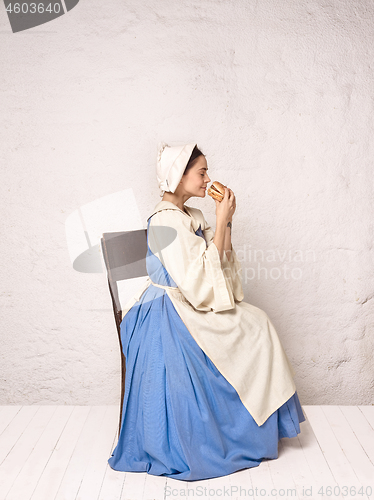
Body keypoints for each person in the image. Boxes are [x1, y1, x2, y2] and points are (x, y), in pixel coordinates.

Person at [108, 142, 306, 481]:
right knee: (253, 327)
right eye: (201, 172)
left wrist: (226, 223)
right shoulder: (164, 222)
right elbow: (197, 280)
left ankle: (253, 427)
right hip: (166, 310)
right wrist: (221, 217)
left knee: (257, 323)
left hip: (190, 300)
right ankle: (229, 433)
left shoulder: (191, 216)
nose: (207, 179)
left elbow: (219, 266)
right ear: (179, 175)